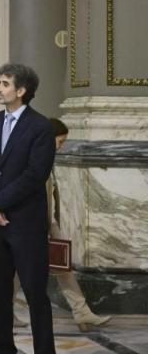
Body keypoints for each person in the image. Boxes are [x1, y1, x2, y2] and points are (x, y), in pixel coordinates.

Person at [0, 63, 56, 354]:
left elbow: (35, 174)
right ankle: (4, 352)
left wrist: (0, 203)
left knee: (36, 295)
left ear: (21, 91)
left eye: (5, 83)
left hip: (25, 224)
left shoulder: (41, 127)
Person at [45, 118, 111, 331]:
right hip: (37, 224)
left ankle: (82, 312)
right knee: (20, 270)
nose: (61, 145)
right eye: (60, 141)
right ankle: (2, 310)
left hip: (48, 222)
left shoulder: (48, 159)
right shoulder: (37, 160)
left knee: (63, 267)